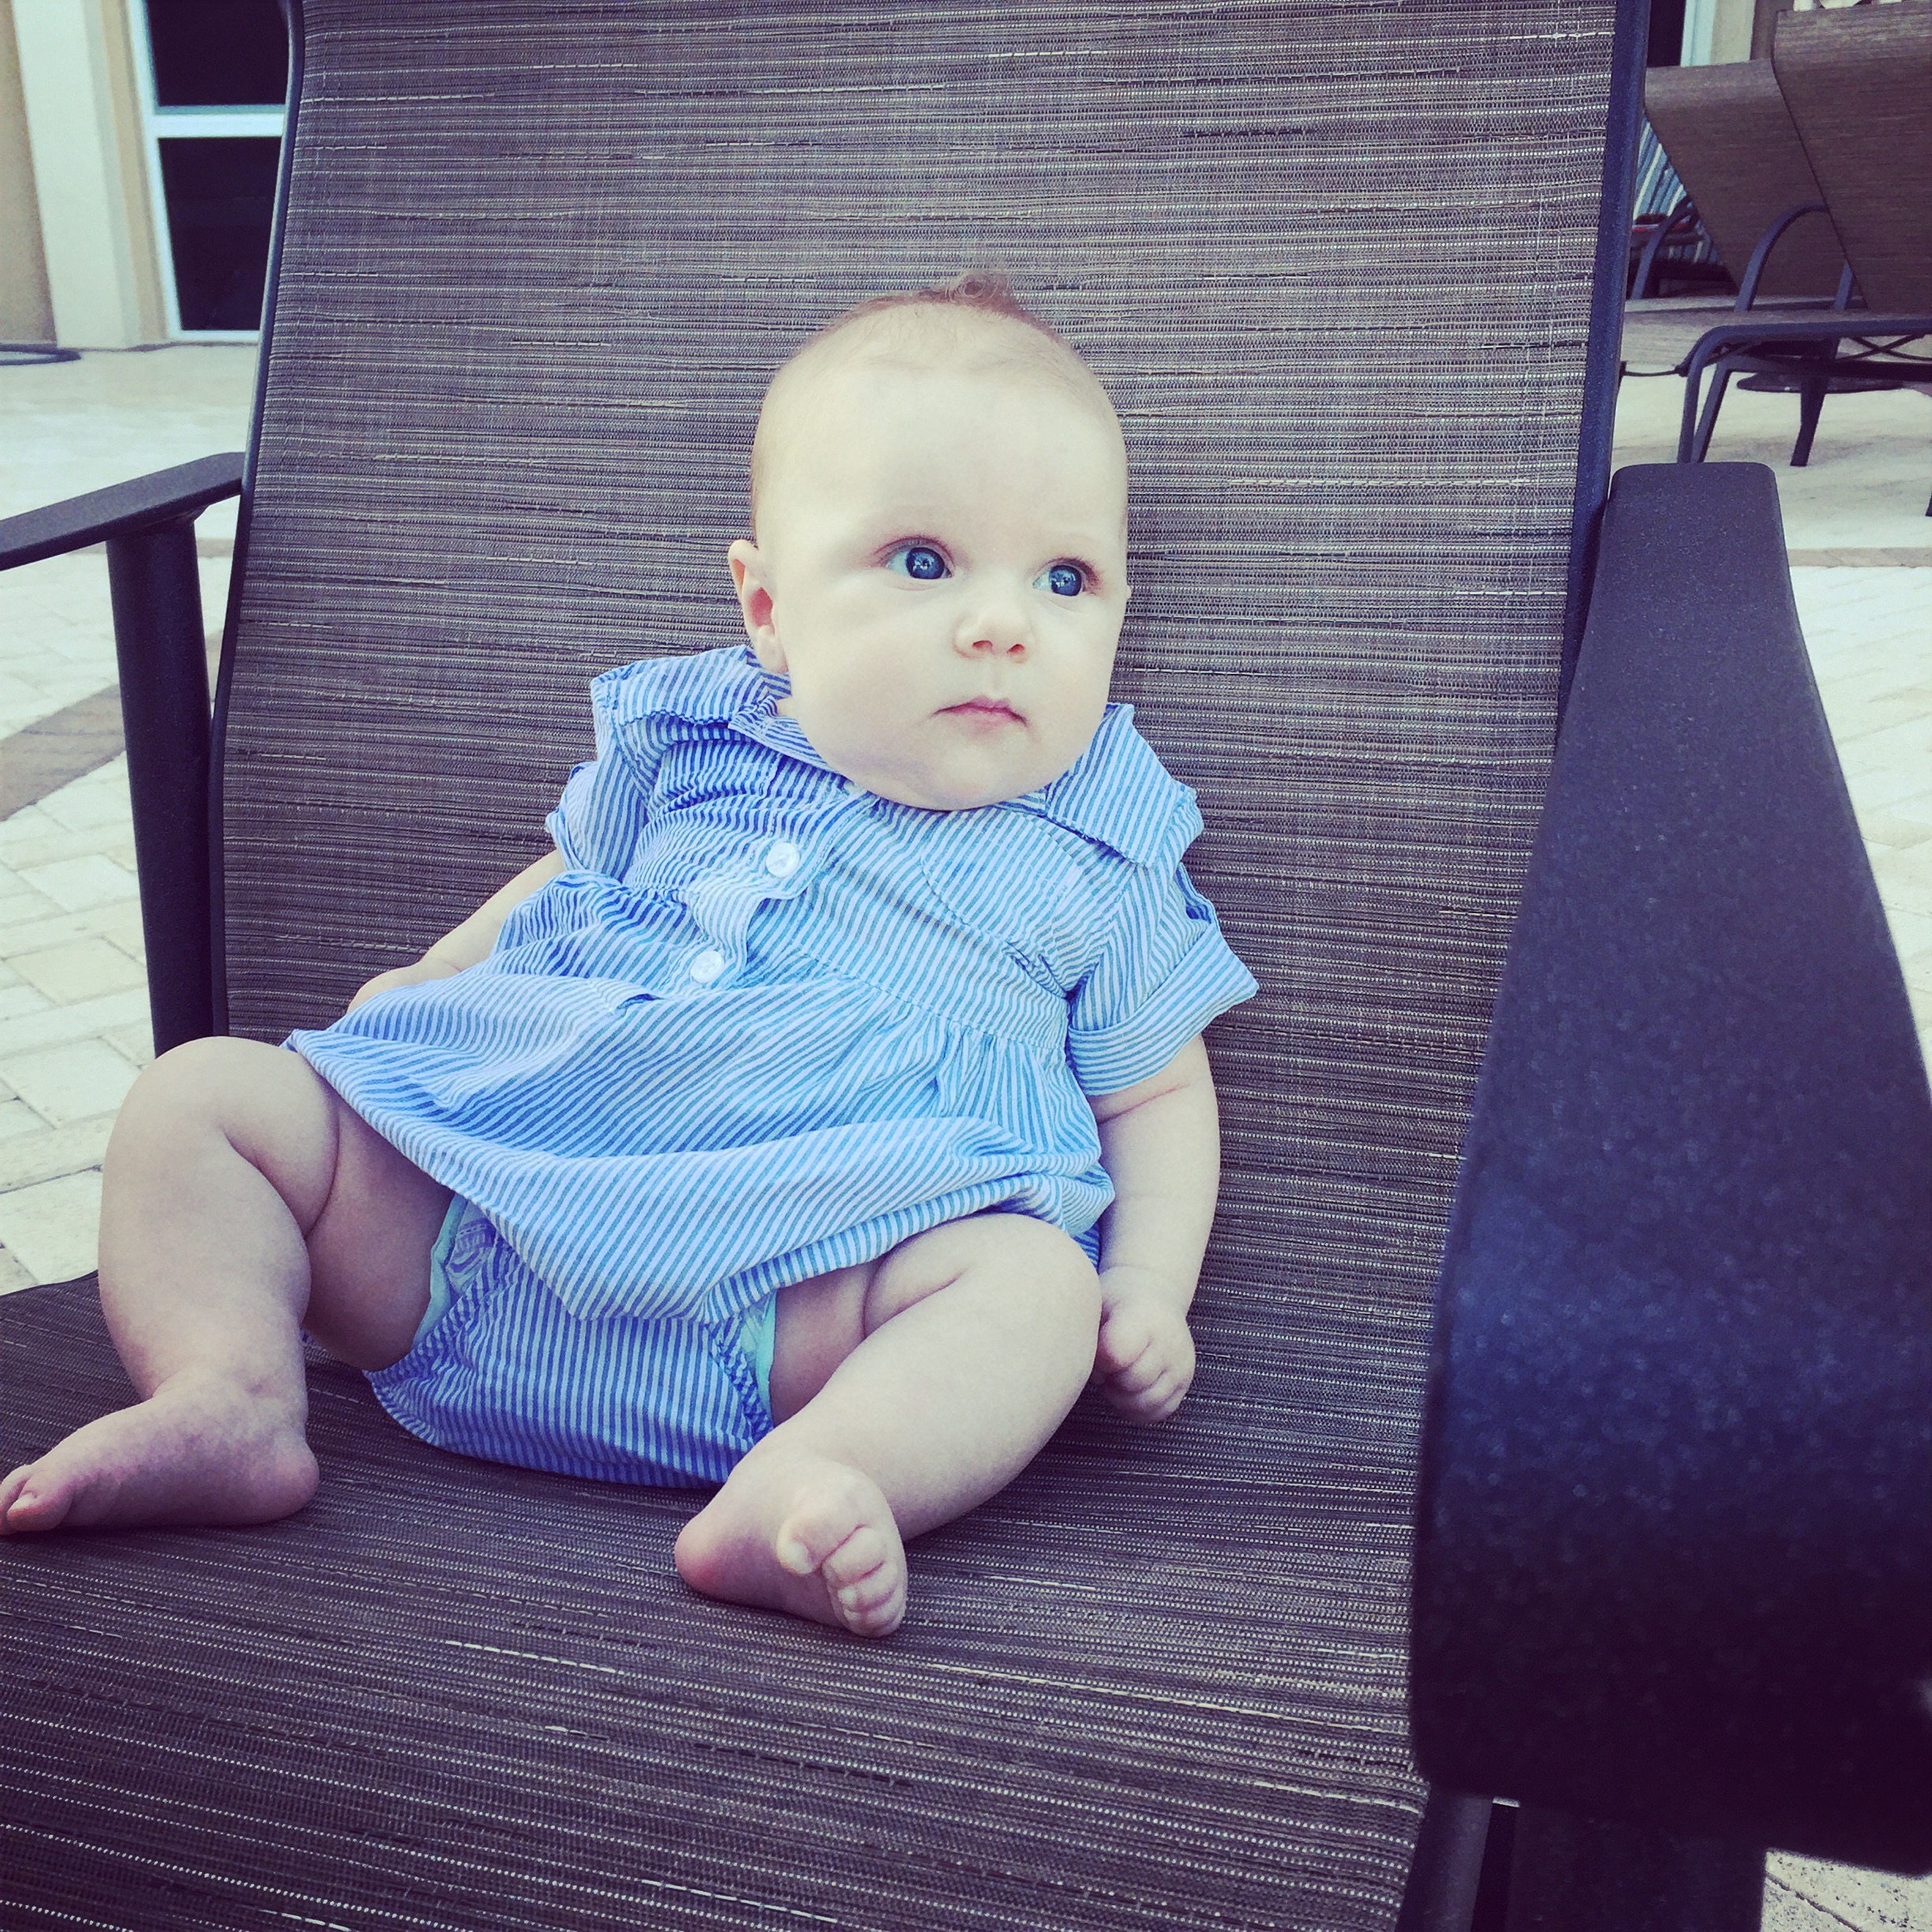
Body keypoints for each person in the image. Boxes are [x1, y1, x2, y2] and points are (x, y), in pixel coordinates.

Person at [0, 275, 1256, 1638]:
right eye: (922, 561)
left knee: (1031, 1290)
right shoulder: (692, 742)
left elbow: (1157, 1091)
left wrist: (1145, 1287)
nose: (1002, 624)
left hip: (806, 1323)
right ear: (768, 609)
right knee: (200, 1098)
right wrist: (434, 978)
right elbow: (568, 877)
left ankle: (818, 1481)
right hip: (466, 1246)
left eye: (1066, 579)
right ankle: (230, 1389)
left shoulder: (1105, 842)